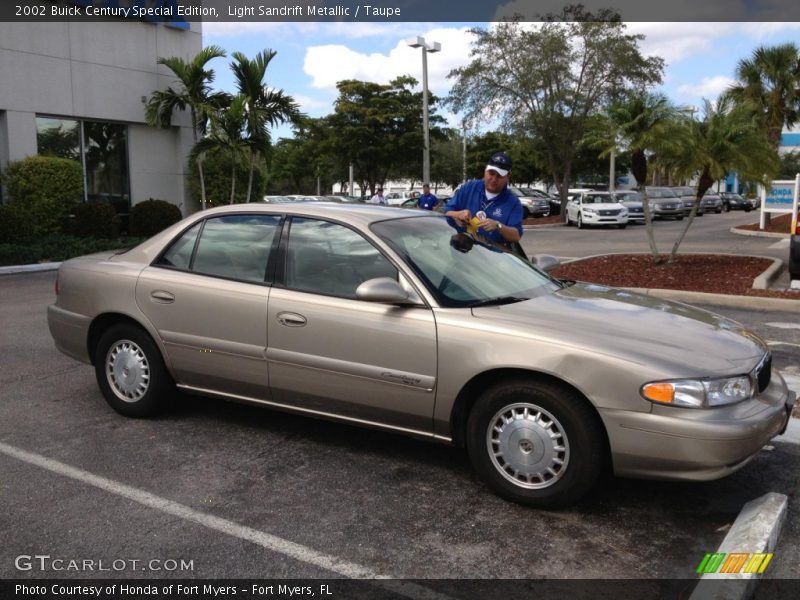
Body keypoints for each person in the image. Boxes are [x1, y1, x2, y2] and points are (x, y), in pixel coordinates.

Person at [444, 151, 523, 248]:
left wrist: (498, 226)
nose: (494, 179)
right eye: (491, 173)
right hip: (461, 253)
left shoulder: (513, 202)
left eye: (499, 176)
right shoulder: (469, 188)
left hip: (492, 259)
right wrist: (458, 214)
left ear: (508, 177)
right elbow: (446, 213)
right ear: (485, 170)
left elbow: (516, 236)